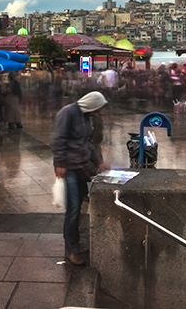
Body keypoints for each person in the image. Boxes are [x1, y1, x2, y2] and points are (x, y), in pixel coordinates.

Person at [51, 91, 109, 266]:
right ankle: (71, 249)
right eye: (97, 109)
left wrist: (98, 161)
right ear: (90, 104)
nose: (98, 113)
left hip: (82, 166)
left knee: (79, 206)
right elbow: (58, 139)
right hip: (68, 167)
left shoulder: (87, 117)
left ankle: (74, 244)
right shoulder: (68, 112)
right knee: (74, 207)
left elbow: (88, 143)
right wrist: (60, 163)